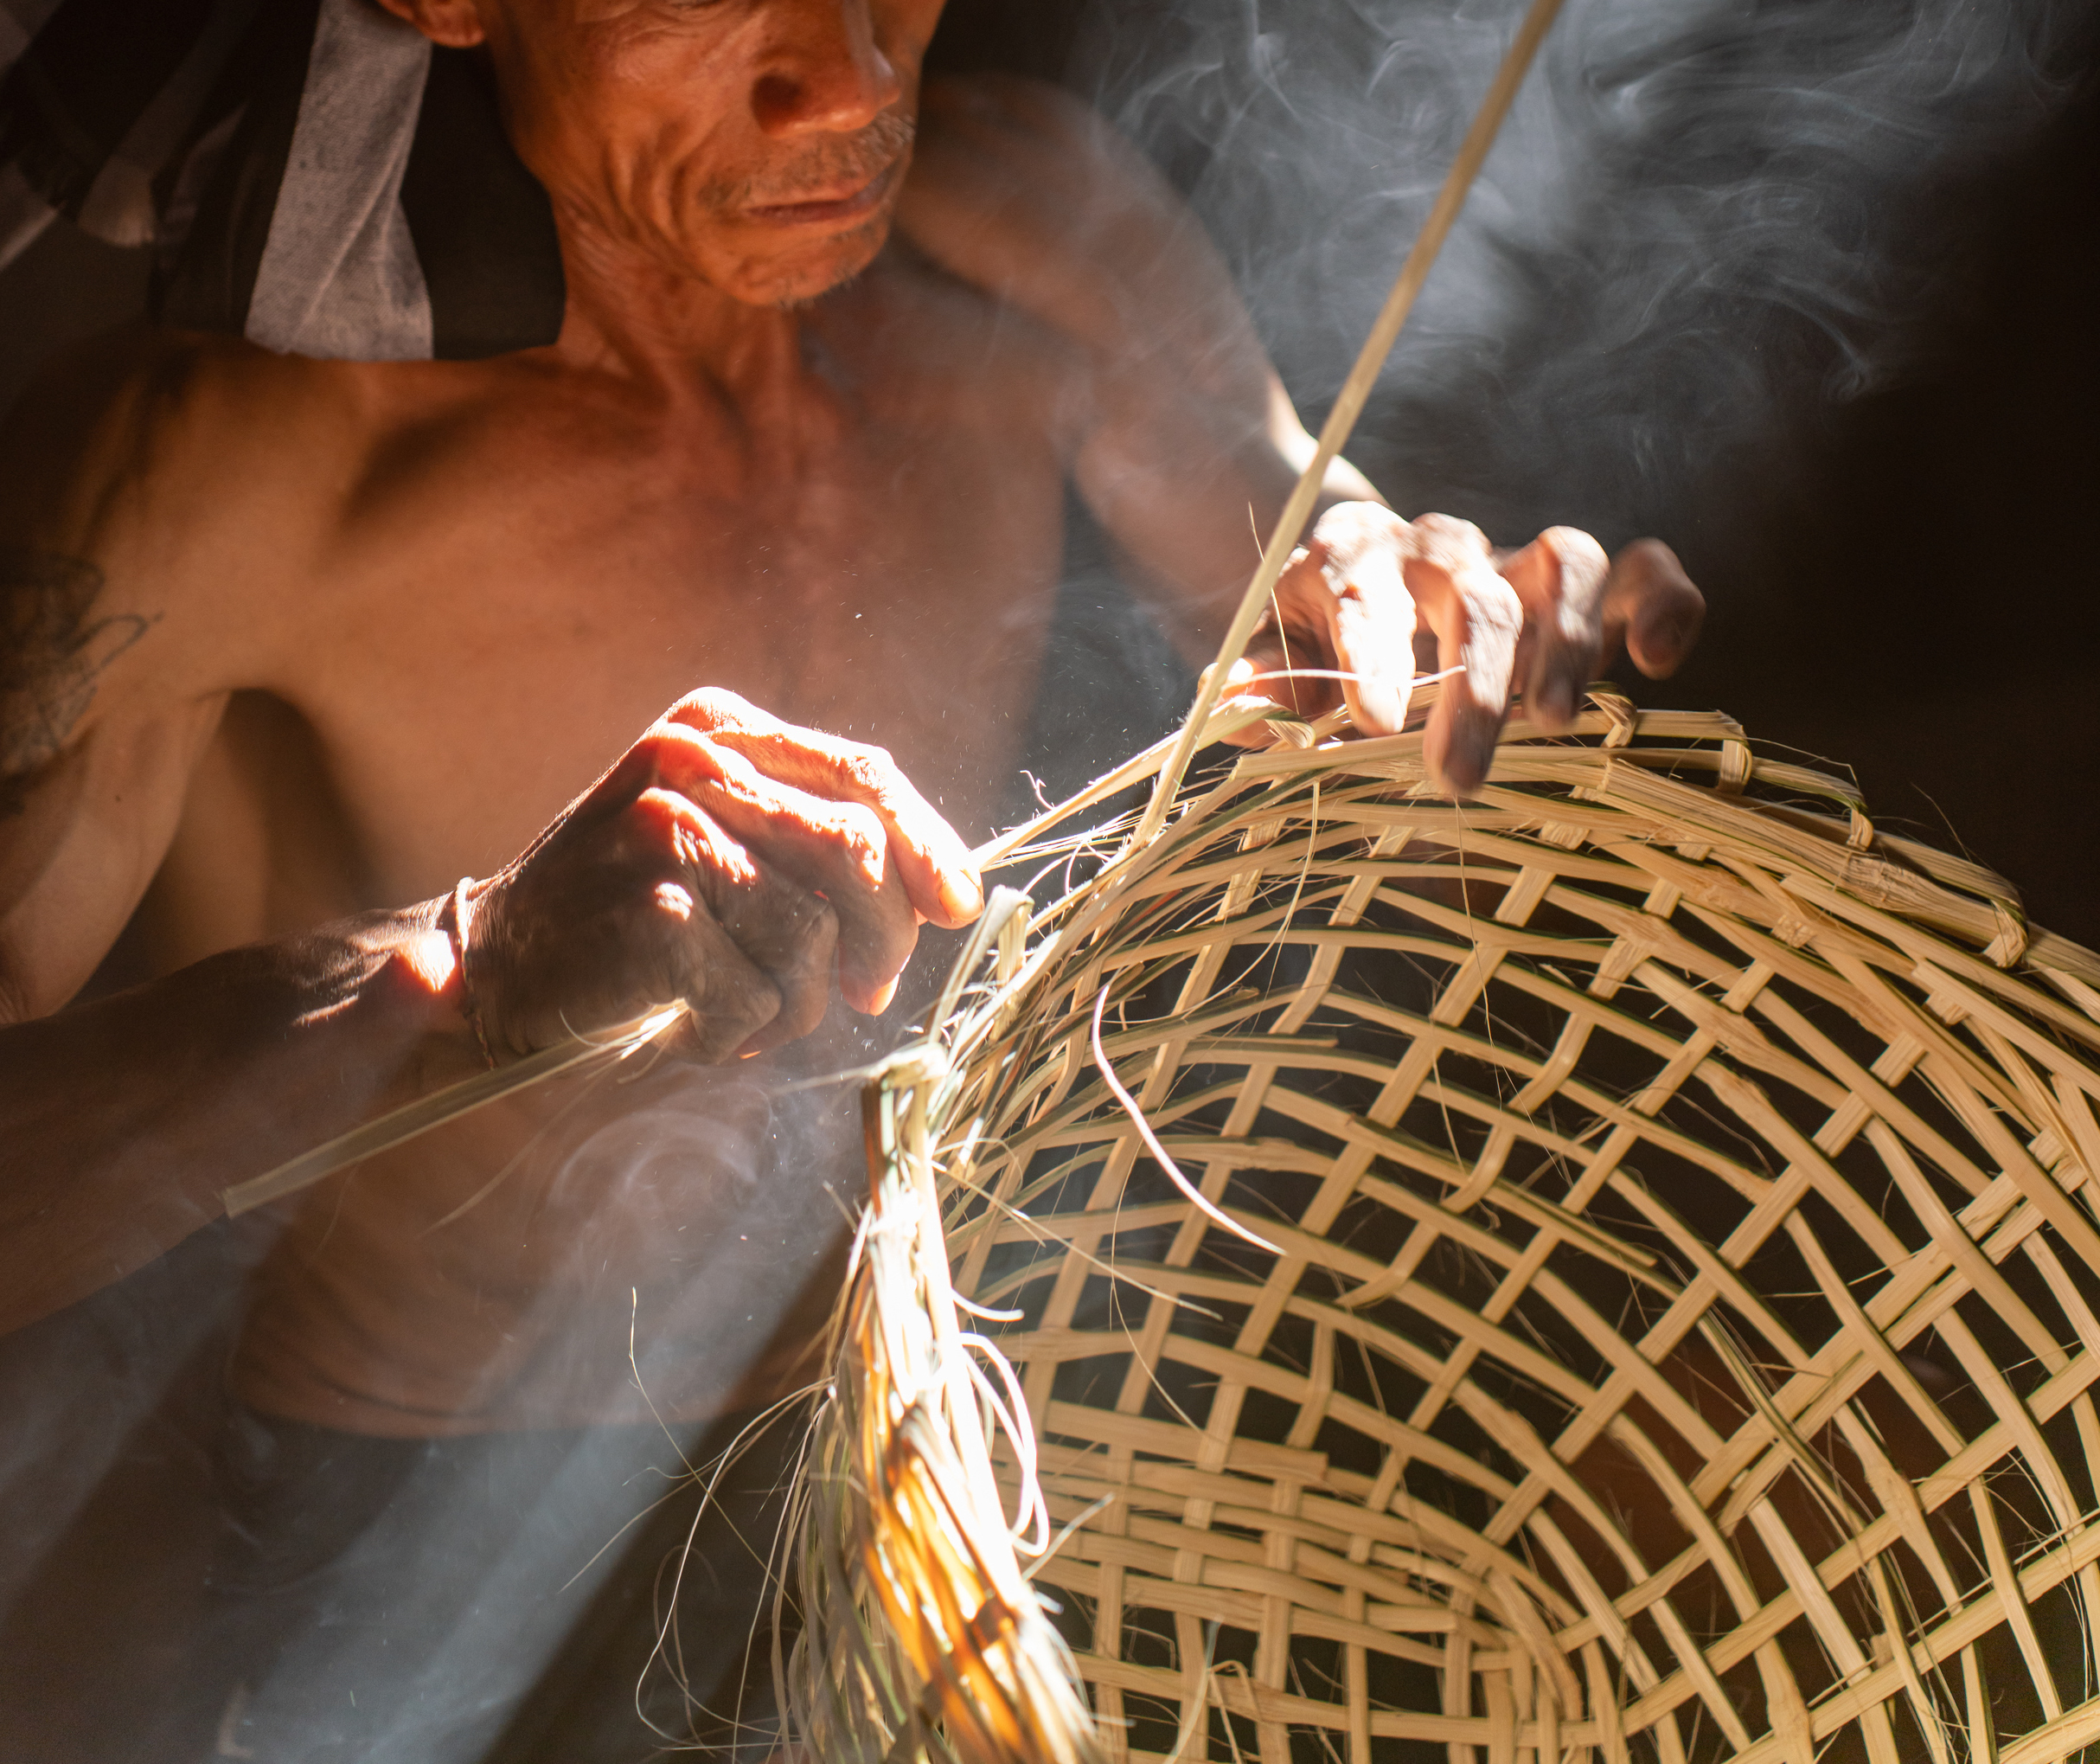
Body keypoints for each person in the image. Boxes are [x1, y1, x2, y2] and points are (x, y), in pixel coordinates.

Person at [0, 0, 1703, 1754]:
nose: (851, 75)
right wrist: (455, 962)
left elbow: (1313, 586)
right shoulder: (221, 463)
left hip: (960, 1470)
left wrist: (1443, 632)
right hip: (427, 1575)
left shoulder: (1029, 229)